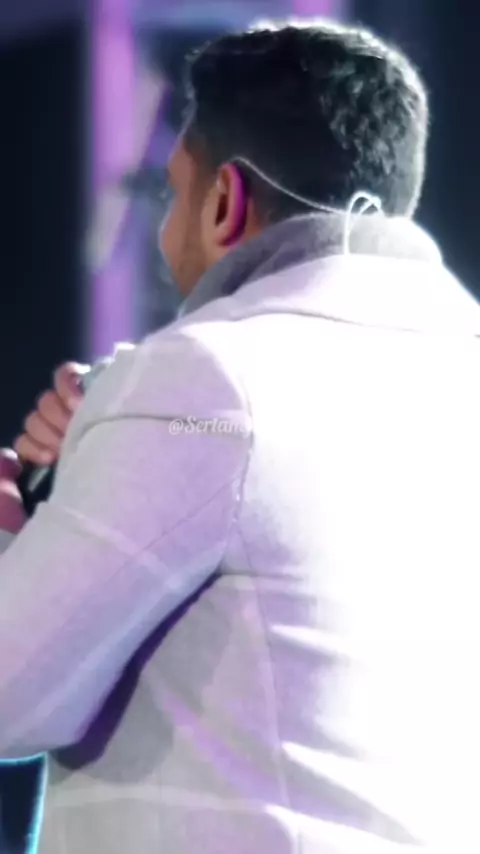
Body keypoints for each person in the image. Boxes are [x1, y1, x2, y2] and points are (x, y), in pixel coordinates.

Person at [1, 17, 480, 854]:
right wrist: (102, 451)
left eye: (172, 194)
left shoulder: (202, 381)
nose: (166, 230)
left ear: (224, 202)